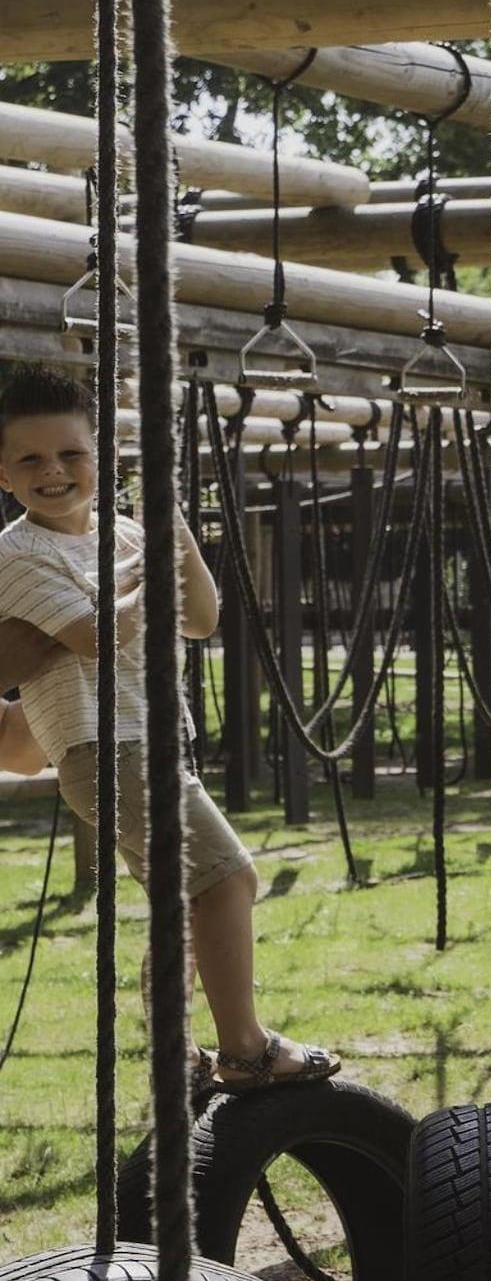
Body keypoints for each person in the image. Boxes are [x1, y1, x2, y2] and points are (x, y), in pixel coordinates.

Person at [0, 362, 341, 1096]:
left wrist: (170, 519)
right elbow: (98, 633)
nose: (52, 471)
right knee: (228, 880)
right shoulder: (17, 553)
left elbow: (202, 616)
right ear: (3, 474)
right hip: (106, 748)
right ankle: (245, 1050)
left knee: (185, 904)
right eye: (30, 459)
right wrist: (141, 574)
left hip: (148, 743)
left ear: (103, 460)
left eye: (70, 453)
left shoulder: (124, 531)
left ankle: (176, 1057)